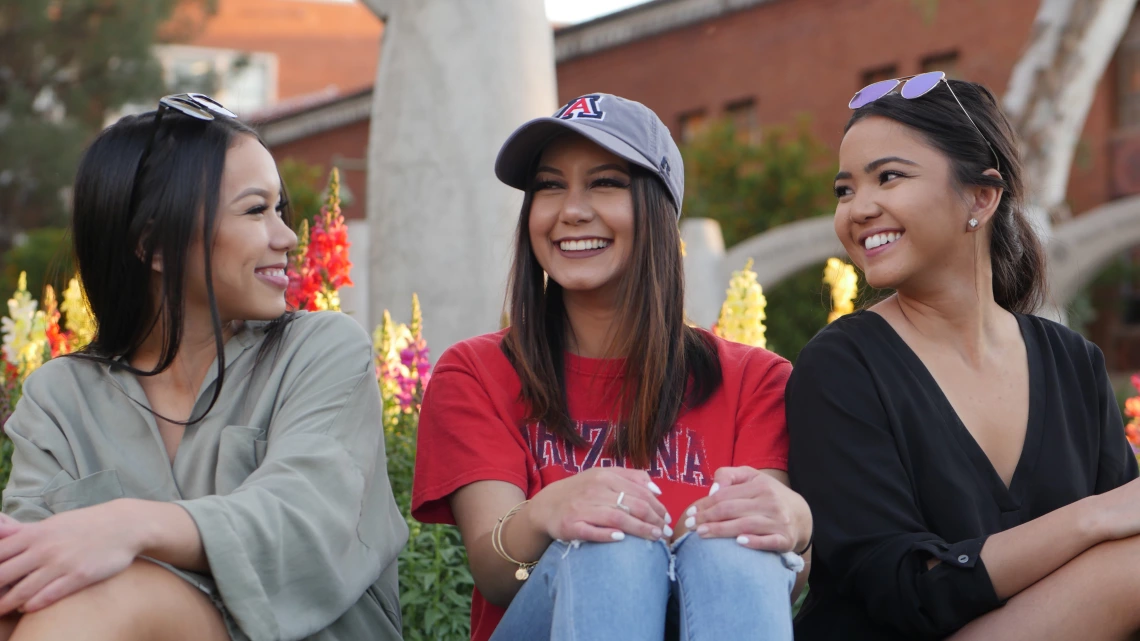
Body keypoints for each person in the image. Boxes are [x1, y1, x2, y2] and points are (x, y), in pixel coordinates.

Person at [0, 93, 407, 641]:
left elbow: (308, 517)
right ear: (156, 247)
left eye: (278, 209)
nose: (287, 237)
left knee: (105, 600)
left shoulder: (322, 350)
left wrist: (127, 528)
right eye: (256, 210)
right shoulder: (60, 396)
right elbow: (27, 568)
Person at [412, 93, 812, 641]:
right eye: (550, 186)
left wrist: (797, 524)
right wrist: (546, 513)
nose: (571, 209)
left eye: (604, 182)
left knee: (735, 542)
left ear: (657, 209)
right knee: (612, 542)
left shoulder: (756, 380)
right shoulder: (476, 373)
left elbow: (774, 574)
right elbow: (500, 575)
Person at [787, 72, 1140, 640]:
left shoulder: (1073, 363)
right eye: (846, 190)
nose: (858, 209)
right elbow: (903, 590)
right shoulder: (840, 367)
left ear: (981, 195)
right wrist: (1088, 519)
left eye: (889, 177)